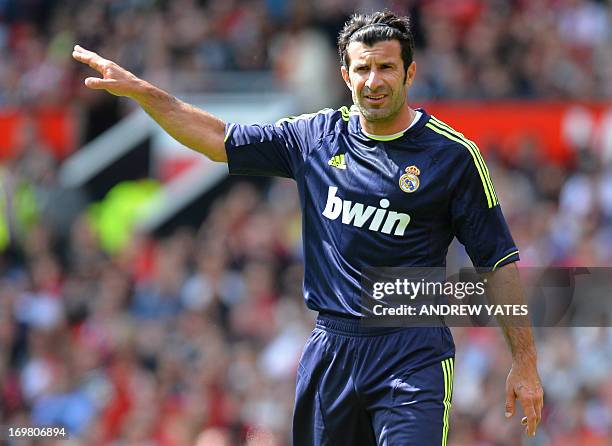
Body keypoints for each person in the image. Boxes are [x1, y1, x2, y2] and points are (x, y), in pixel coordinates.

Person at [72, 10, 544, 445]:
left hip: (412, 350)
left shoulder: (452, 156)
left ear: (410, 73)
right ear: (345, 76)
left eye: (385, 68)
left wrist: (523, 361)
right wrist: (143, 93)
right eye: (362, 69)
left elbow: (497, 262)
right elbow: (218, 140)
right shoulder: (314, 137)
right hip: (331, 349)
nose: (373, 81)